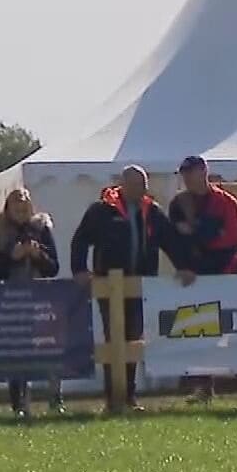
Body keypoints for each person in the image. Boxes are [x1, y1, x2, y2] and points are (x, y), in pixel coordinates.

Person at [70, 166, 177, 411]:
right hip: (109, 285)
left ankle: (129, 395)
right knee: (114, 339)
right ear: (124, 184)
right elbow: (81, 240)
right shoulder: (101, 210)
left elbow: (171, 242)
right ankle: (114, 398)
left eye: (145, 185)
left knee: (134, 338)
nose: (143, 190)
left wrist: (184, 267)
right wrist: (79, 269)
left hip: (141, 286)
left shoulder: (152, 212)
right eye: (138, 185)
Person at [0, 189, 65, 418]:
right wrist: (13, 256)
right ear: (8, 207)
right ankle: (19, 403)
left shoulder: (41, 227)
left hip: (42, 296)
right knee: (17, 351)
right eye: (16, 204)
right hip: (13, 299)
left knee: (50, 348)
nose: (21, 209)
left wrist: (38, 256)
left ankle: (55, 398)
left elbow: (54, 267)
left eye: (25, 205)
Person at [167, 155, 237, 281]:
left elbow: (233, 240)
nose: (186, 177)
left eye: (190, 172)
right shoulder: (178, 203)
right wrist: (211, 230)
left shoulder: (226, 201)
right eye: (184, 173)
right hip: (190, 274)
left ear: (204, 171)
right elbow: (175, 241)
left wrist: (195, 232)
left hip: (225, 271)